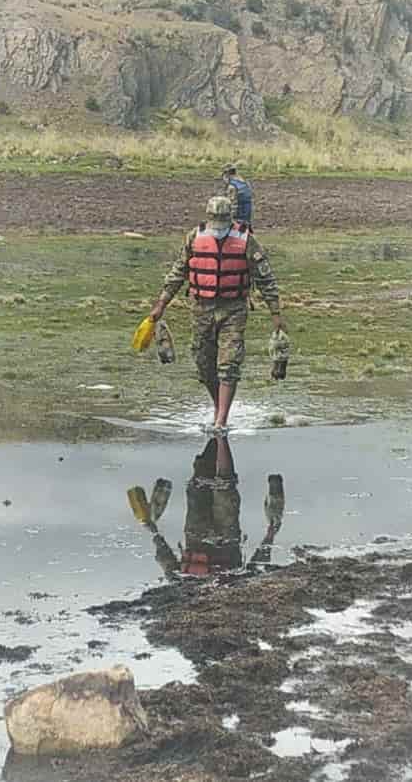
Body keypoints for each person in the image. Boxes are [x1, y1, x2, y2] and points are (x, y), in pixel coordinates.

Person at [149, 195, 284, 433]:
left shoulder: (246, 240)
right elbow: (178, 272)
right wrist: (161, 304)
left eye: (223, 221)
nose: (219, 227)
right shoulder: (195, 237)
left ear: (230, 218)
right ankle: (217, 405)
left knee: (229, 363)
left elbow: (266, 278)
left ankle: (221, 420)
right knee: (204, 364)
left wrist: (276, 314)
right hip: (201, 308)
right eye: (215, 221)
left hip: (234, 309)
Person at [127, 437, 285, 580]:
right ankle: (220, 436)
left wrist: (155, 534)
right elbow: (254, 570)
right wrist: (270, 535)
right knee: (219, 486)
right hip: (218, 539)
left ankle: (220, 437)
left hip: (207, 537)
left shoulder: (184, 592)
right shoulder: (228, 593)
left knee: (217, 485)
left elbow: (169, 567)